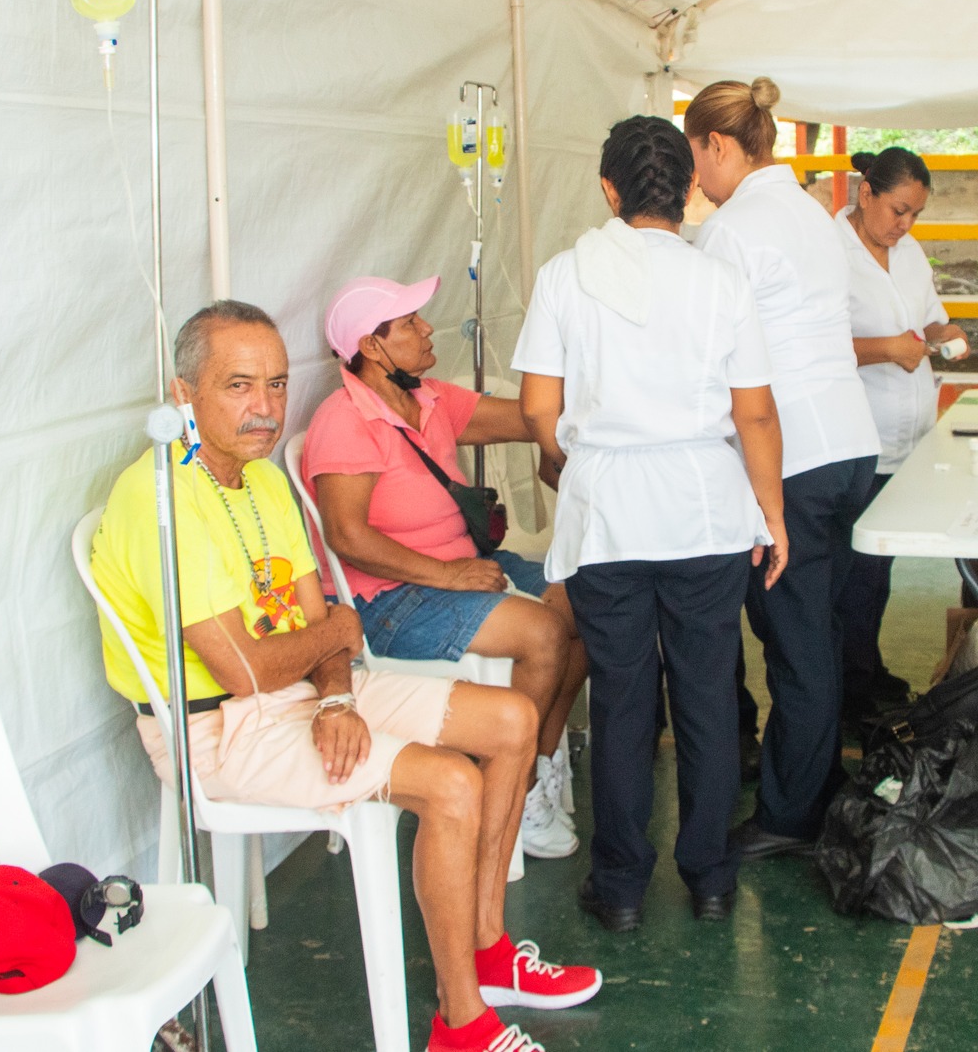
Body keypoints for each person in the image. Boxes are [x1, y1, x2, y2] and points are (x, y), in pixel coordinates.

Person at [89, 301, 600, 1052]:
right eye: (238, 386)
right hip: (216, 725)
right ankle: (461, 1023)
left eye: (275, 384)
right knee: (452, 782)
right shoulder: (162, 496)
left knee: (513, 720)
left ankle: (489, 952)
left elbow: (328, 613)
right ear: (182, 394)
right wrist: (330, 640)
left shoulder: (258, 480)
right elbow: (248, 666)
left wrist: (333, 685)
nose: (264, 407)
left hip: (303, 691)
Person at [513, 115, 789, 930]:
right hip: (705, 511)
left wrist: (570, 462)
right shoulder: (720, 284)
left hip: (609, 520)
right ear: (691, 189)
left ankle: (622, 885)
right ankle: (708, 875)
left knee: (624, 700)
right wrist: (770, 514)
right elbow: (758, 414)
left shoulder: (566, 274)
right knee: (707, 694)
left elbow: (538, 407)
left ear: (609, 190)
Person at [300, 276, 589, 861]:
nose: (427, 327)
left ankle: (536, 757)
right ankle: (516, 794)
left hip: (461, 566)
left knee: (591, 599)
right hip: (388, 598)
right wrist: (448, 575)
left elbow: (530, 418)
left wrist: (588, 415)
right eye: (408, 323)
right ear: (372, 347)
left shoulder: (429, 398)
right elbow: (347, 536)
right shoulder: (345, 421)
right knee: (543, 632)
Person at [686, 77, 881, 858]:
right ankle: (816, 776)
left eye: (700, 158)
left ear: (721, 146)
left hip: (792, 456)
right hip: (850, 442)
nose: (698, 180)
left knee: (793, 638)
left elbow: (721, 359)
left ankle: (790, 815)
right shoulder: (810, 212)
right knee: (821, 628)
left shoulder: (737, 229)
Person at [833, 147, 964, 728]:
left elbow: (929, 316)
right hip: (857, 437)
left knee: (878, 570)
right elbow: (815, 344)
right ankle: (850, 690)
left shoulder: (908, 252)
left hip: (908, 437)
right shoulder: (830, 253)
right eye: (898, 210)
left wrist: (946, 331)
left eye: (915, 214)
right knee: (853, 575)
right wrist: (887, 349)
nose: (905, 225)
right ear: (866, 195)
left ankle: (867, 666)